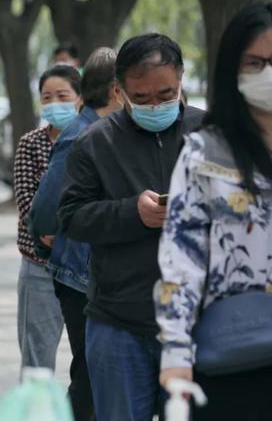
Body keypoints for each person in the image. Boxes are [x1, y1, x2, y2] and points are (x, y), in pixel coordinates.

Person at [56, 34, 204, 421]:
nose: (155, 105)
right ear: (119, 91)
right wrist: (131, 213)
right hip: (119, 323)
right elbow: (71, 217)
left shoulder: (210, 135)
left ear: (181, 80)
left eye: (165, 94)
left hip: (198, 322)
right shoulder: (94, 143)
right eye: (142, 98)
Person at [155, 3, 272, 420]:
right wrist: (175, 350)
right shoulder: (204, 154)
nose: (268, 74)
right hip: (235, 357)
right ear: (232, 71)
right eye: (255, 63)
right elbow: (181, 258)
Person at [28, 47, 122, 421]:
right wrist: (52, 235)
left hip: (97, 273)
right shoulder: (82, 135)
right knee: (89, 372)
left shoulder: (104, 131)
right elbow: (43, 209)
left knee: (96, 370)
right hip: (80, 276)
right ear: (117, 89)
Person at [14, 64, 81, 373]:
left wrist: (69, 235)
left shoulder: (92, 138)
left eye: (63, 96)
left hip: (81, 263)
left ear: (80, 97)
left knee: (88, 357)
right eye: (47, 97)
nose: (55, 103)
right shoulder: (31, 143)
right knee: (37, 361)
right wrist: (47, 232)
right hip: (39, 263)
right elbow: (26, 201)